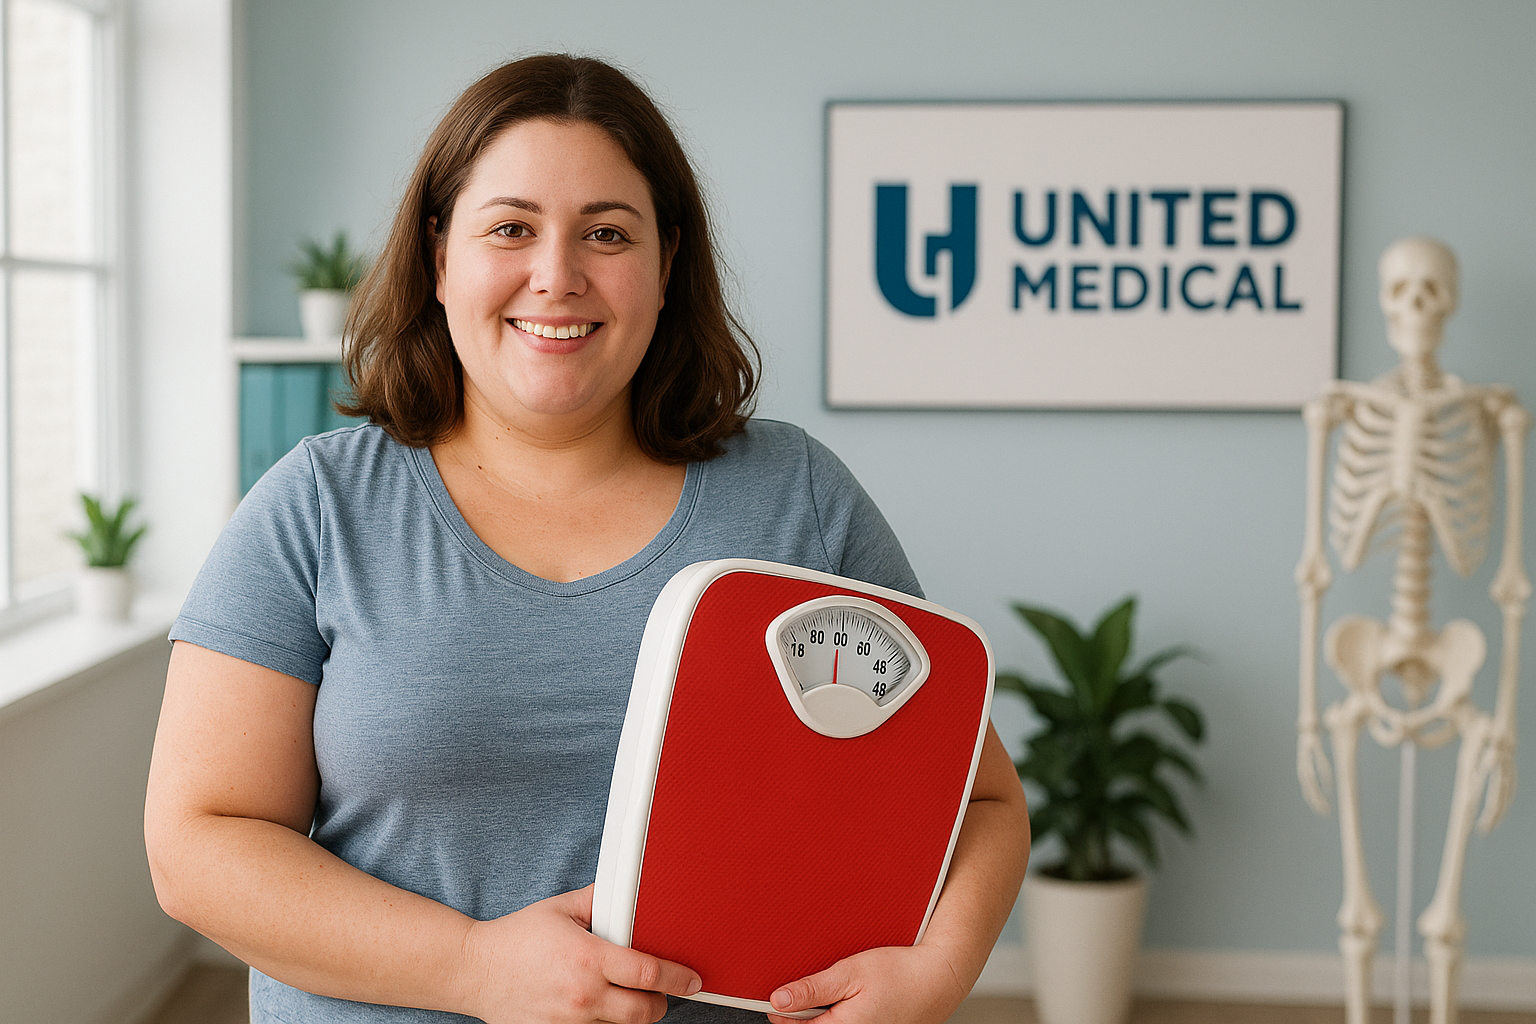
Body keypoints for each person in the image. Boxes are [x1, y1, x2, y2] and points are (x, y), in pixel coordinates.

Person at [144, 53, 1029, 1024]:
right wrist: (473, 967)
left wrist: (936, 970)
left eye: (607, 232)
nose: (557, 276)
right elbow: (198, 846)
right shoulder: (314, 506)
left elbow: (979, 805)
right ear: (440, 256)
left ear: (666, 266)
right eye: (511, 228)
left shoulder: (801, 499)